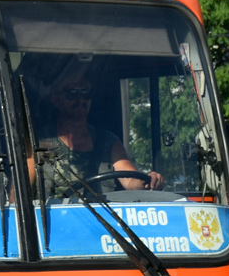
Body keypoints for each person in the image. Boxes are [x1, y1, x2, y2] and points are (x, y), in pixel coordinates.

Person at [30, 68, 163, 196]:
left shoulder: (108, 141)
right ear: (55, 99)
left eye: (86, 93)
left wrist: (148, 182)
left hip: (103, 218)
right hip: (52, 218)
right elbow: (18, 195)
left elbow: (129, 179)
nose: (80, 99)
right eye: (72, 93)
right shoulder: (36, 142)